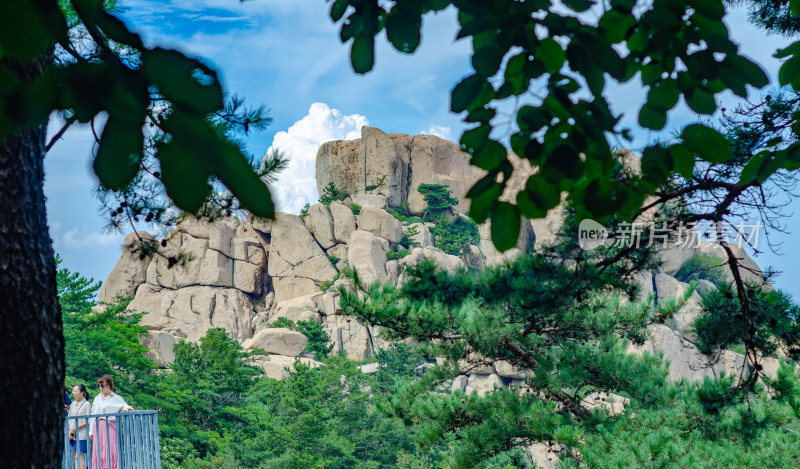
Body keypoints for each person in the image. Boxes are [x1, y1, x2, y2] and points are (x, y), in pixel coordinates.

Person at [90, 375, 133, 469]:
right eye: (98, 385)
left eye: (102, 385)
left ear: (109, 386)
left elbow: (123, 405)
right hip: (98, 427)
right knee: (98, 450)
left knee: (110, 449)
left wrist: (127, 408)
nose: (100, 388)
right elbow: (92, 414)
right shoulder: (97, 398)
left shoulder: (115, 397)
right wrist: (91, 430)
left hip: (110, 426)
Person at [67, 384, 91, 469]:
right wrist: (70, 431)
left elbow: (87, 420)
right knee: (75, 456)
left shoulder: (86, 404)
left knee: (79, 455)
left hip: (81, 433)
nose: (74, 393)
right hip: (72, 434)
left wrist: (75, 429)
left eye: (76, 391)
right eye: (73, 391)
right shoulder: (73, 404)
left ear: (82, 392)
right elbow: (69, 419)